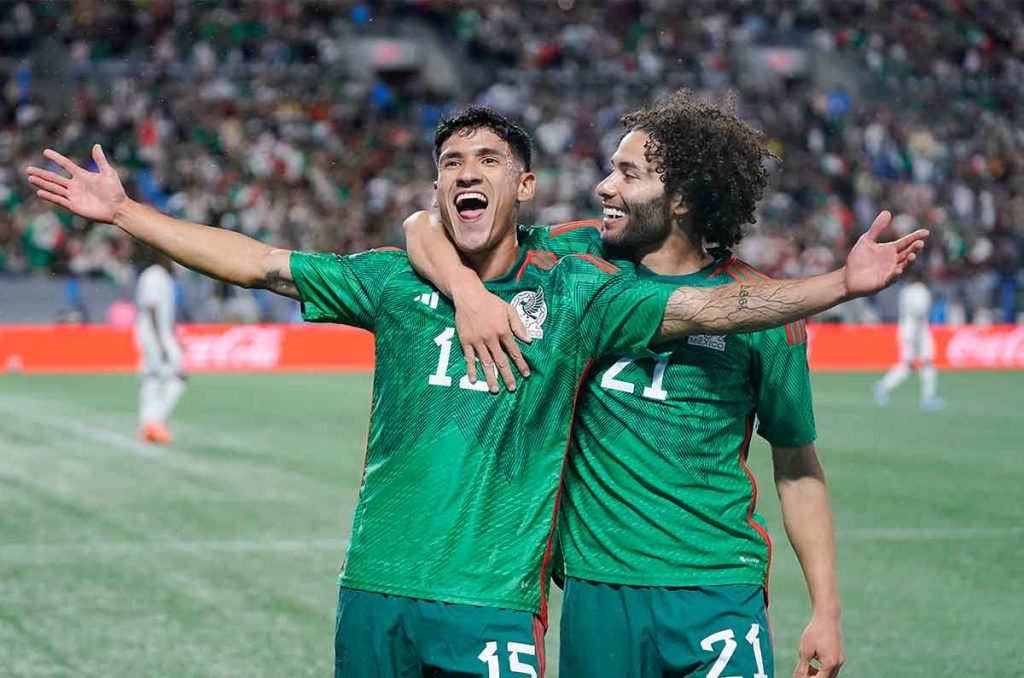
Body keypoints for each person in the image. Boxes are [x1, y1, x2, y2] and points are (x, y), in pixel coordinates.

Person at [27, 106, 924, 678]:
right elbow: (282, 257)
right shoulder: (479, 268)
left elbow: (718, 322)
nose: (604, 186)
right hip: (489, 589)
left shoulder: (586, 290)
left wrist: (840, 287)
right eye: (451, 162)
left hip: (619, 591)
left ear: (523, 186)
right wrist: (126, 214)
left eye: (488, 160)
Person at [404, 91, 870, 677]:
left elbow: (798, 467)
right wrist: (467, 291)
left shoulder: (766, 318)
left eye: (627, 174)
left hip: (716, 586)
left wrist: (826, 612)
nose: (604, 187)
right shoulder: (572, 260)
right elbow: (424, 226)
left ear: (681, 200)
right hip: (599, 588)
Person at [134, 247, 186, 444]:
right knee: (177, 378)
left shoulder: (162, 276)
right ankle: (153, 423)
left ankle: (149, 425)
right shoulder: (154, 276)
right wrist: (160, 342)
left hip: (160, 337)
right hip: (154, 338)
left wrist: (173, 338)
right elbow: (151, 307)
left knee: (153, 380)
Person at [874, 269, 944, 410]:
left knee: (908, 366)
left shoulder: (906, 290)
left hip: (906, 330)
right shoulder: (921, 291)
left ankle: (883, 386)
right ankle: (927, 398)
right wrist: (918, 338)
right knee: (925, 363)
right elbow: (919, 312)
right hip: (918, 332)